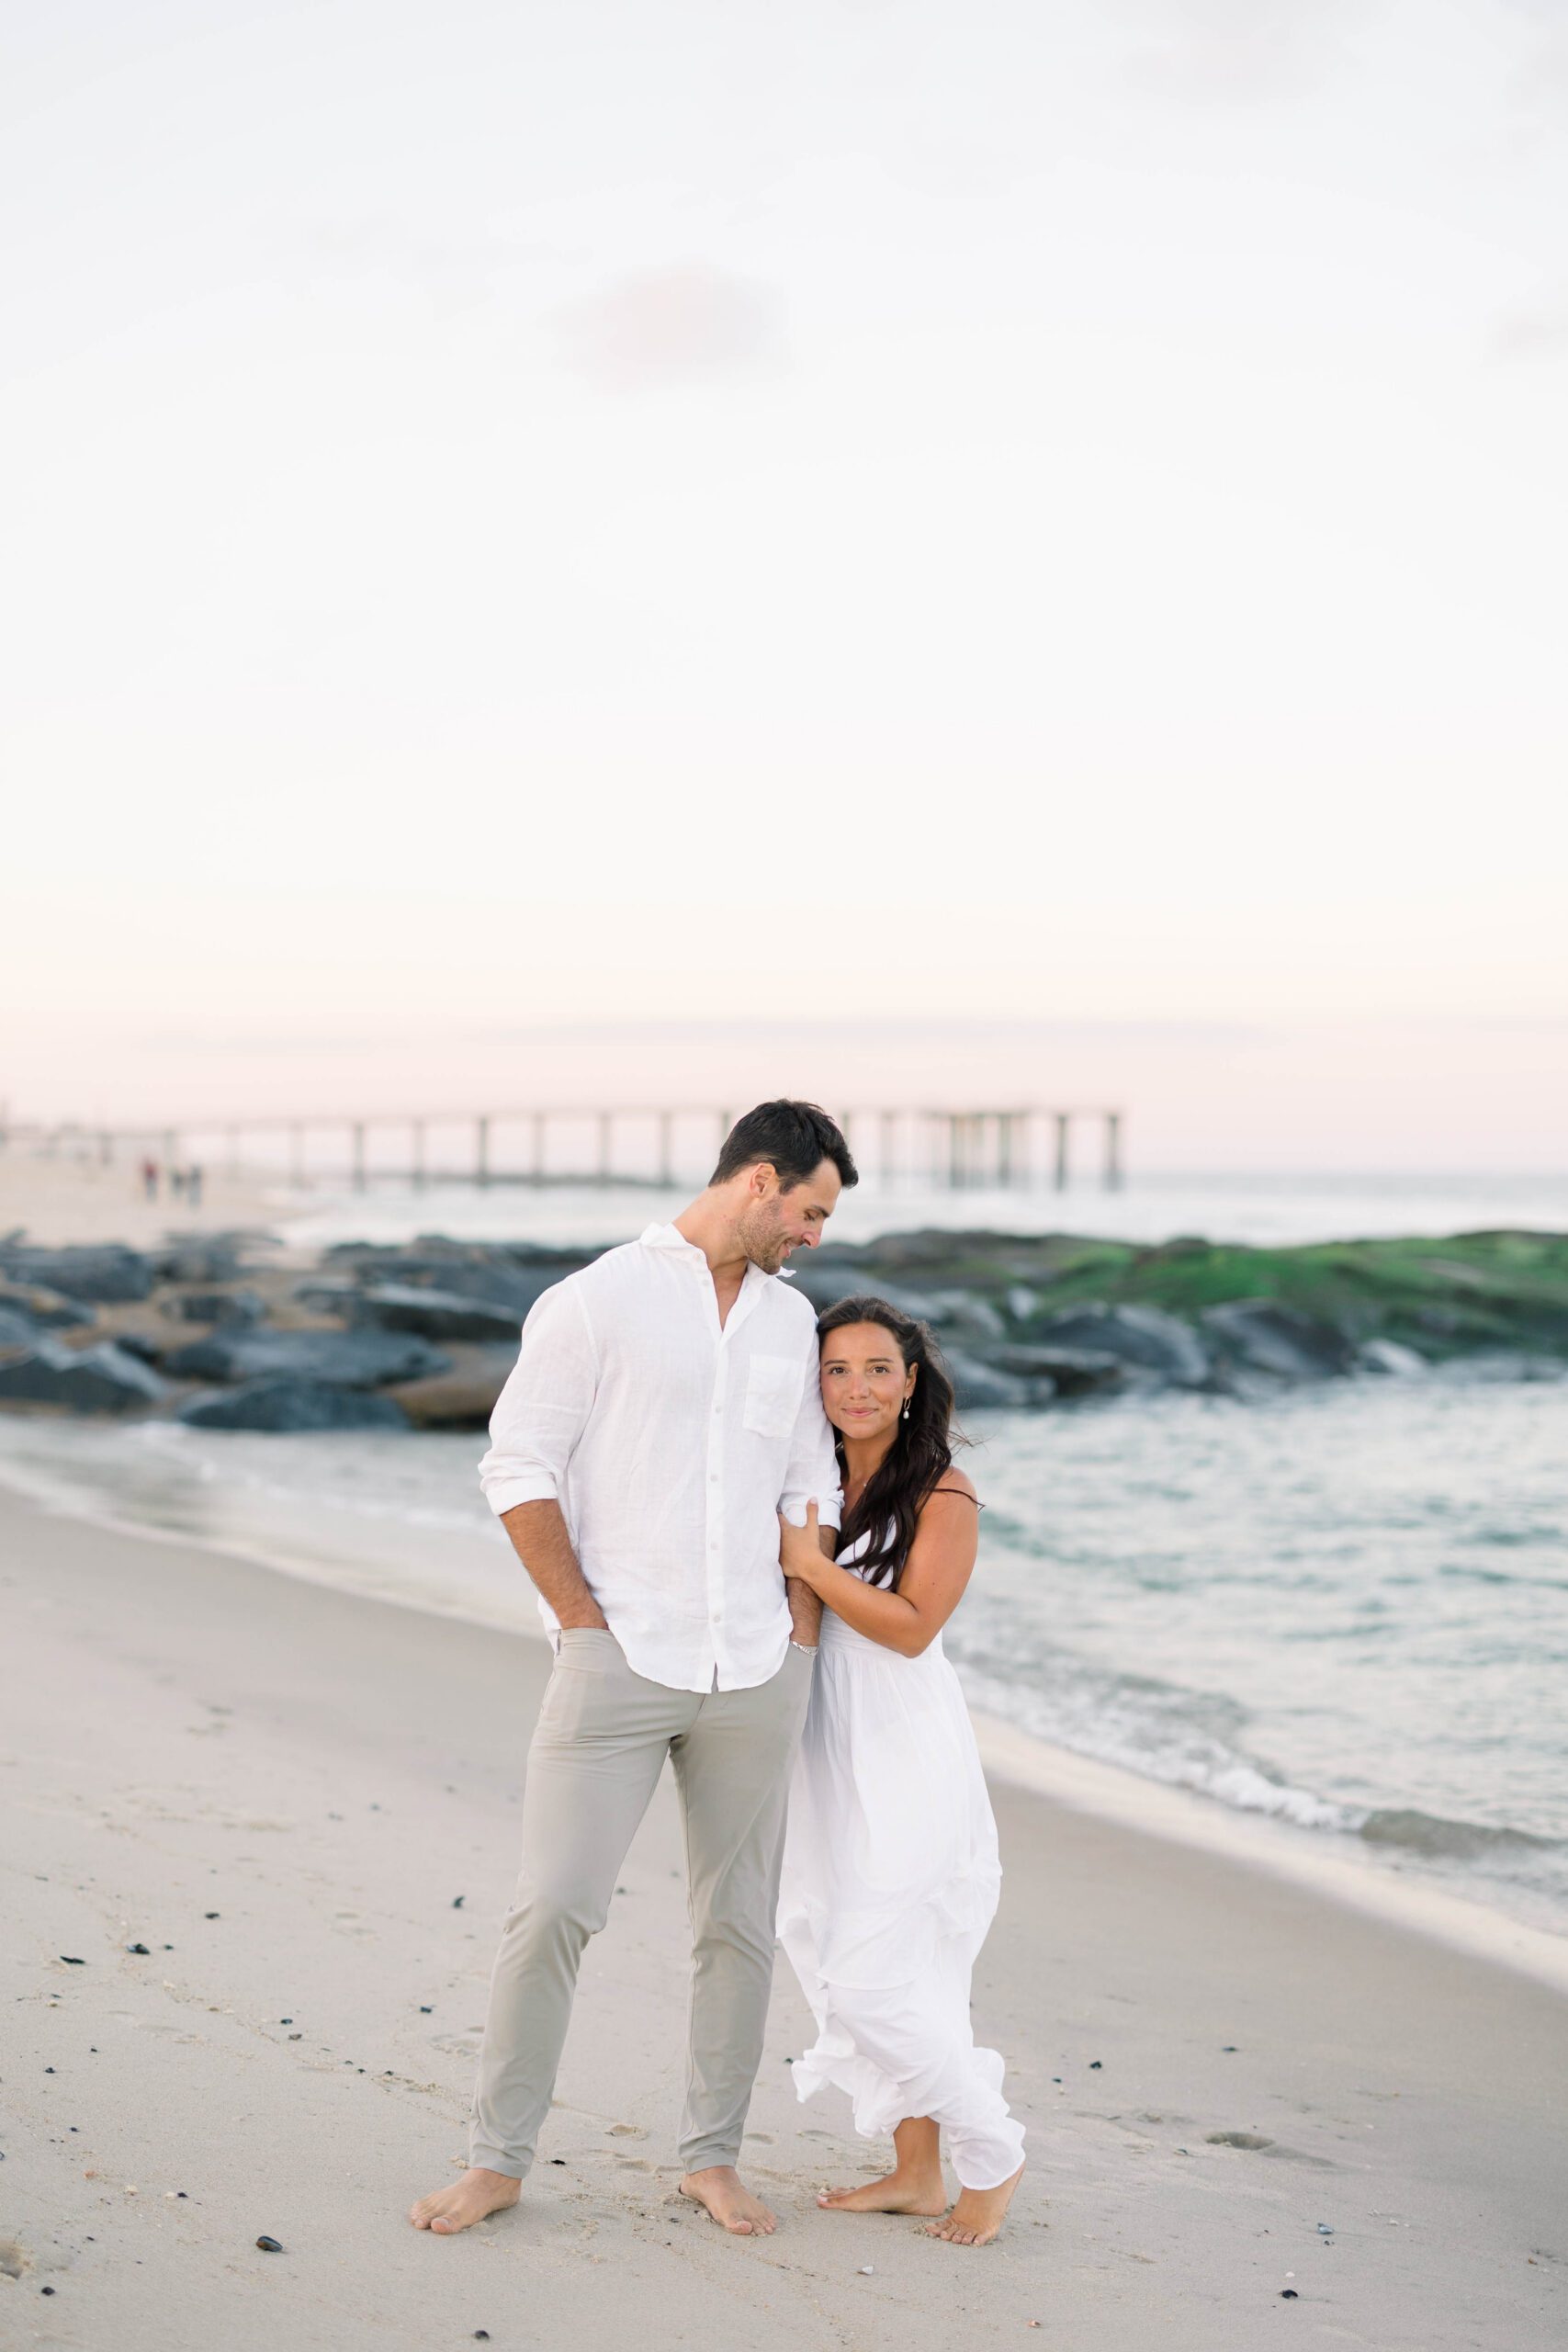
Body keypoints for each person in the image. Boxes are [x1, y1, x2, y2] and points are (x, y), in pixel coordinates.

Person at [410, 1100, 858, 2240]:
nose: (815, 1234)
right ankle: (497, 2159)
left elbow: (810, 1487)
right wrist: (581, 1620)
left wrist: (801, 1631)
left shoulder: (790, 1323)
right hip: (619, 1658)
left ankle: (711, 2158)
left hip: (758, 1662)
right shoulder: (596, 1298)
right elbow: (518, 1464)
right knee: (553, 1907)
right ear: (758, 1180)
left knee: (739, 1926)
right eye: (809, 1209)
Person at [776, 1295, 1026, 2247]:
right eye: (836, 1369)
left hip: (905, 1743)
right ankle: (918, 2175)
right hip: (823, 1741)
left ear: (912, 1381)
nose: (857, 1388)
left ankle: (991, 2152)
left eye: (878, 1367)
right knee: (844, 1945)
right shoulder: (814, 1476)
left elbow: (915, 1628)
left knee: (873, 1973)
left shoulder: (944, 1490)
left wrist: (813, 1564)